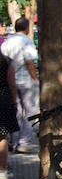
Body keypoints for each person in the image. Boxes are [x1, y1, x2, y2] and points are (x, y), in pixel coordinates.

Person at [2, 17, 39, 153]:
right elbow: (30, 63)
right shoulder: (26, 41)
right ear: (27, 27)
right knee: (30, 111)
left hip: (9, 80)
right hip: (25, 80)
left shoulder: (7, 42)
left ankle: (14, 140)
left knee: (14, 110)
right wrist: (35, 80)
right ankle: (24, 142)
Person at [0, 47, 18, 179]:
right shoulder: (6, 61)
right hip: (3, 99)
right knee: (2, 136)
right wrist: (14, 102)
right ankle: (2, 170)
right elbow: (12, 84)